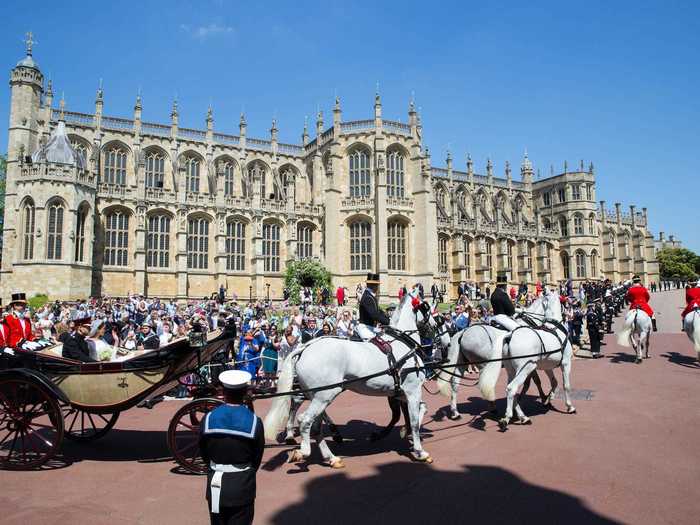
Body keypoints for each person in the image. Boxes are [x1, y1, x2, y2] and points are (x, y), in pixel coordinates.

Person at [199, 370, 264, 525]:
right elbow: (257, 457)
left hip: (215, 484)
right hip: (242, 486)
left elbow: (203, 452)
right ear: (244, 393)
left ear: (224, 392)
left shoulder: (208, 418)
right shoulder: (254, 422)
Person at [357, 273, 390, 340]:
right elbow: (374, 315)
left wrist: (388, 318)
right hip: (365, 328)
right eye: (377, 285)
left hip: (371, 327)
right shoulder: (367, 297)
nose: (378, 287)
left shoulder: (370, 296)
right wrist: (388, 322)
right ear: (373, 286)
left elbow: (378, 311)